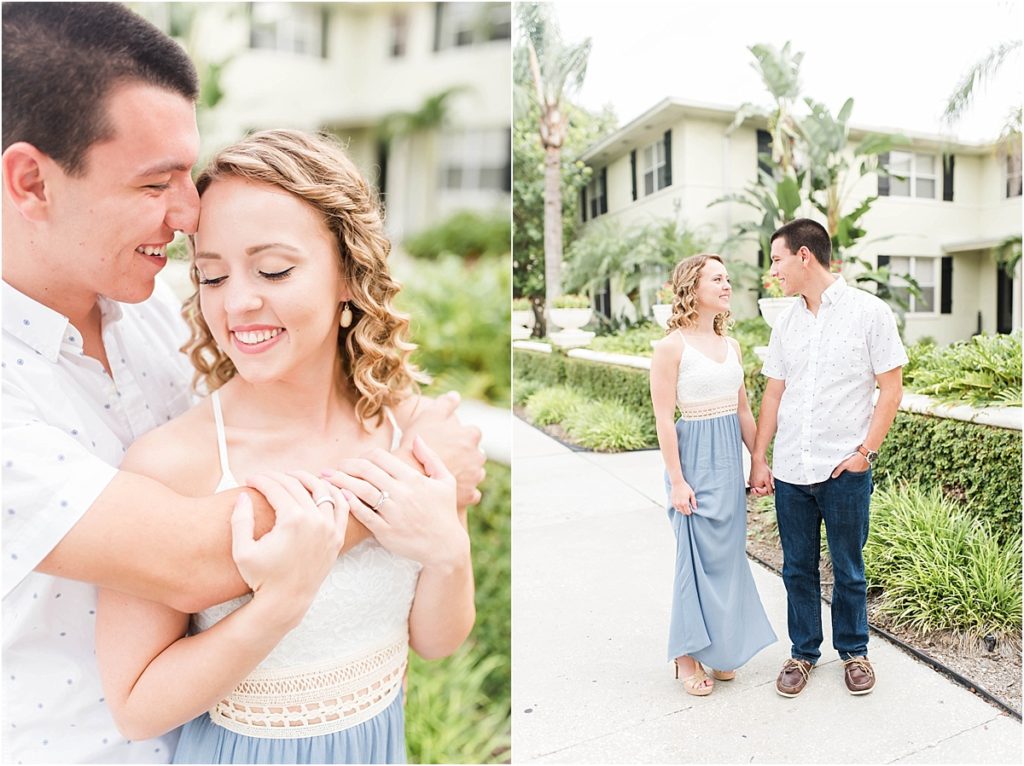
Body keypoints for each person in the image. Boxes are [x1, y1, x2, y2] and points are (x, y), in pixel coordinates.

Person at [1, 4, 484, 763]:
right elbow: (193, 557)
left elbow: (434, 634)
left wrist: (441, 538)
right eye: (156, 182)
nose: (190, 213)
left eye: (271, 268)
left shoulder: (154, 306)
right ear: (31, 181)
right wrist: (416, 481)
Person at [95, 128, 475, 763]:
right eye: (212, 276)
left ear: (349, 275)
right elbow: (136, 706)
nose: (239, 303)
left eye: (274, 269)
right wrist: (278, 606)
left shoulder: (410, 431)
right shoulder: (173, 464)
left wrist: (448, 552)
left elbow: (437, 641)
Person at [748, 218, 906, 698]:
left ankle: (855, 653)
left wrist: (865, 453)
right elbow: (773, 395)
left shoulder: (868, 312)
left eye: (776, 259)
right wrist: (760, 459)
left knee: (848, 567)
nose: (772, 270)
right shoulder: (787, 322)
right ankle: (803, 653)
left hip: (844, 470)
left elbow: (891, 388)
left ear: (803, 256)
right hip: (793, 470)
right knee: (796, 568)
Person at [649, 254, 776, 696]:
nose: (727, 285)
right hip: (693, 463)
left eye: (727, 278)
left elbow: (743, 409)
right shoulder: (670, 348)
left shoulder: (732, 346)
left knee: (727, 559)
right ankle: (686, 656)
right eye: (717, 279)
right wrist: (677, 480)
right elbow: (665, 420)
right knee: (694, 559)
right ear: (692, 287)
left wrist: (758, 460)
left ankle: (721, 649)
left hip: (728, 462)